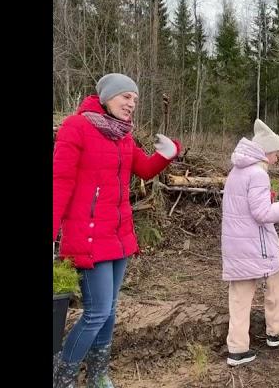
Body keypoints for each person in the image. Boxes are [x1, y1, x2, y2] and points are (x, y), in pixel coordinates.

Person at [53, 73, 181, 387]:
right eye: (126, 97)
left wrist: (167, 153)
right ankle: (63, 376)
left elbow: (144, 169)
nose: (131, 104)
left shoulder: (122, 135)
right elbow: (60, 181)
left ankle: (98, 374)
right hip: (89, 236)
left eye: (135, 100)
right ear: (109, 96)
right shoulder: (77, 127)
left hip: (119, 237)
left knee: (109, 311)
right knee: (96, 313)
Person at [221, 119, 279, 366]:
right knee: (275, 281)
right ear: (264, 152)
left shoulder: (238, 170)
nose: (277, 159)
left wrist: (265, 198)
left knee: (239, 296)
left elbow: (242, 205)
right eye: (275, 153)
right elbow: (262, 214)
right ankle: (277, 331)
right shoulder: (258, 173)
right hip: (257, 245)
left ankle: (237, 349)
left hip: (236, 245)